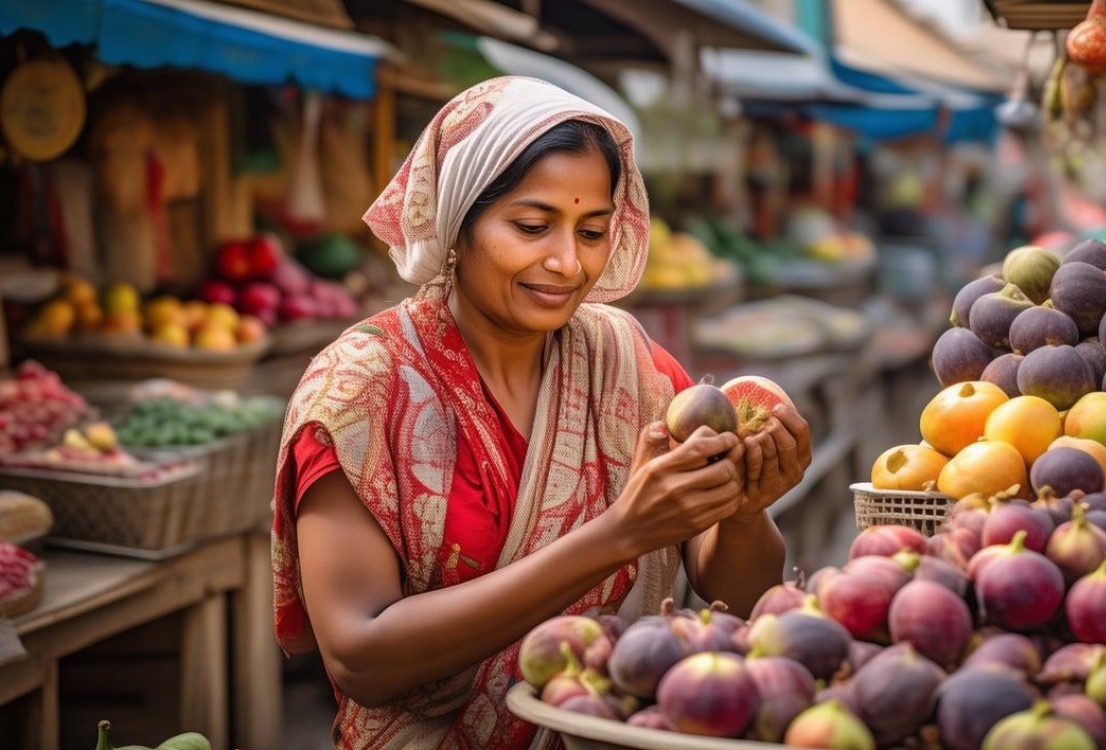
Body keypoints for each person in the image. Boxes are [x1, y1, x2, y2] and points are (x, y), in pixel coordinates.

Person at [271, 76, 811, 749]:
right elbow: (361, 657)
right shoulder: (360, 391)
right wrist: (618, 536)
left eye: (592, 231)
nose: (567, 263)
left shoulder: (629, 364)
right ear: (457, 222)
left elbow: (743, 597)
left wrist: (743, 506)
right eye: (531, 226)